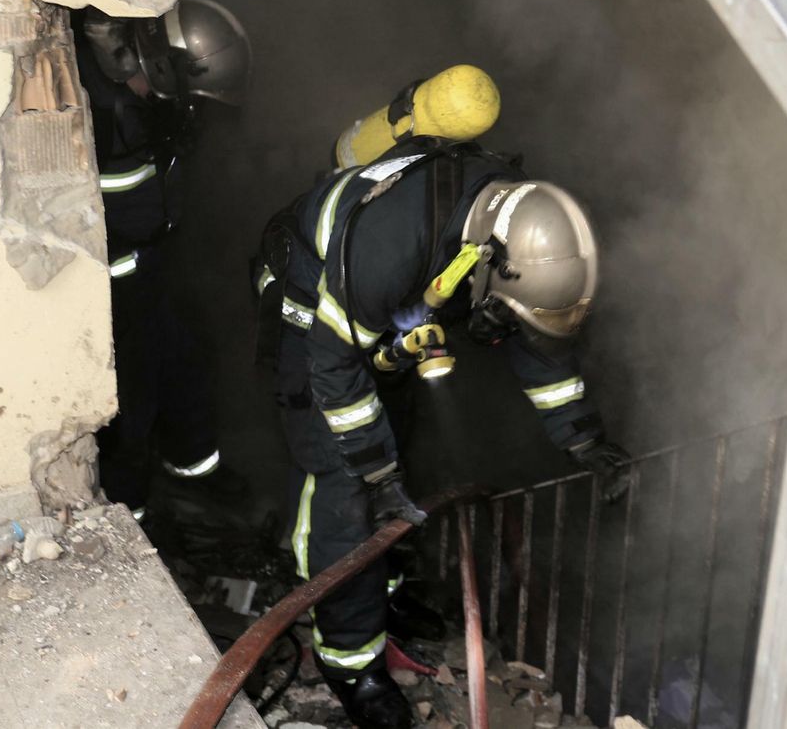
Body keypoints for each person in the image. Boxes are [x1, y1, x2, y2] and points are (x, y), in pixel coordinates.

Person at [253, 112, 632, 727]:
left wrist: (584, 438)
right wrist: (374, 469)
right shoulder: (392, 243)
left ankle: (386, 599)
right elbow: (335, 368)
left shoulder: (514, 229)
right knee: (346, 477)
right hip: (313, 306)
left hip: (380, 312)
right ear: (485, 263)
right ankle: (352, 665)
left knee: (399, 446)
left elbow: (536, 343)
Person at [75, 0, 250, 524]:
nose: (181, 105)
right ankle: (132, 519)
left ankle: (193, 469)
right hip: (111, 284)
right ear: (150, 64)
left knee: (187, 359)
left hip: (154, 263)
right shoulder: (100, 114)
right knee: (130, 399)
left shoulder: (146, 99)